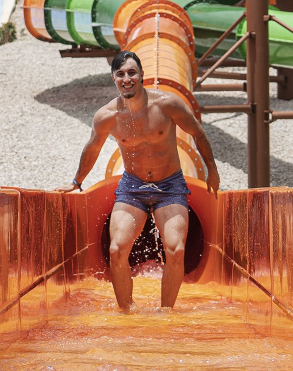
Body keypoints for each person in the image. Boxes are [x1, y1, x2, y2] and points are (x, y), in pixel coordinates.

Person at [61, 50, 220, 312]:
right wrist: (77, 181)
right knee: (116, 248)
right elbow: (92, 149)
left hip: (169, 186)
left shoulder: (167, 104)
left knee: (176, 248)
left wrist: (211, 170)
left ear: (142, 75)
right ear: (113, 77)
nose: (127, 78)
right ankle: (128, 311)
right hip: (132, 187)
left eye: (132, 73)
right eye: (121, 74)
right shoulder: (107, 116)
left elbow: (198, 132)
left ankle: (165, 311)